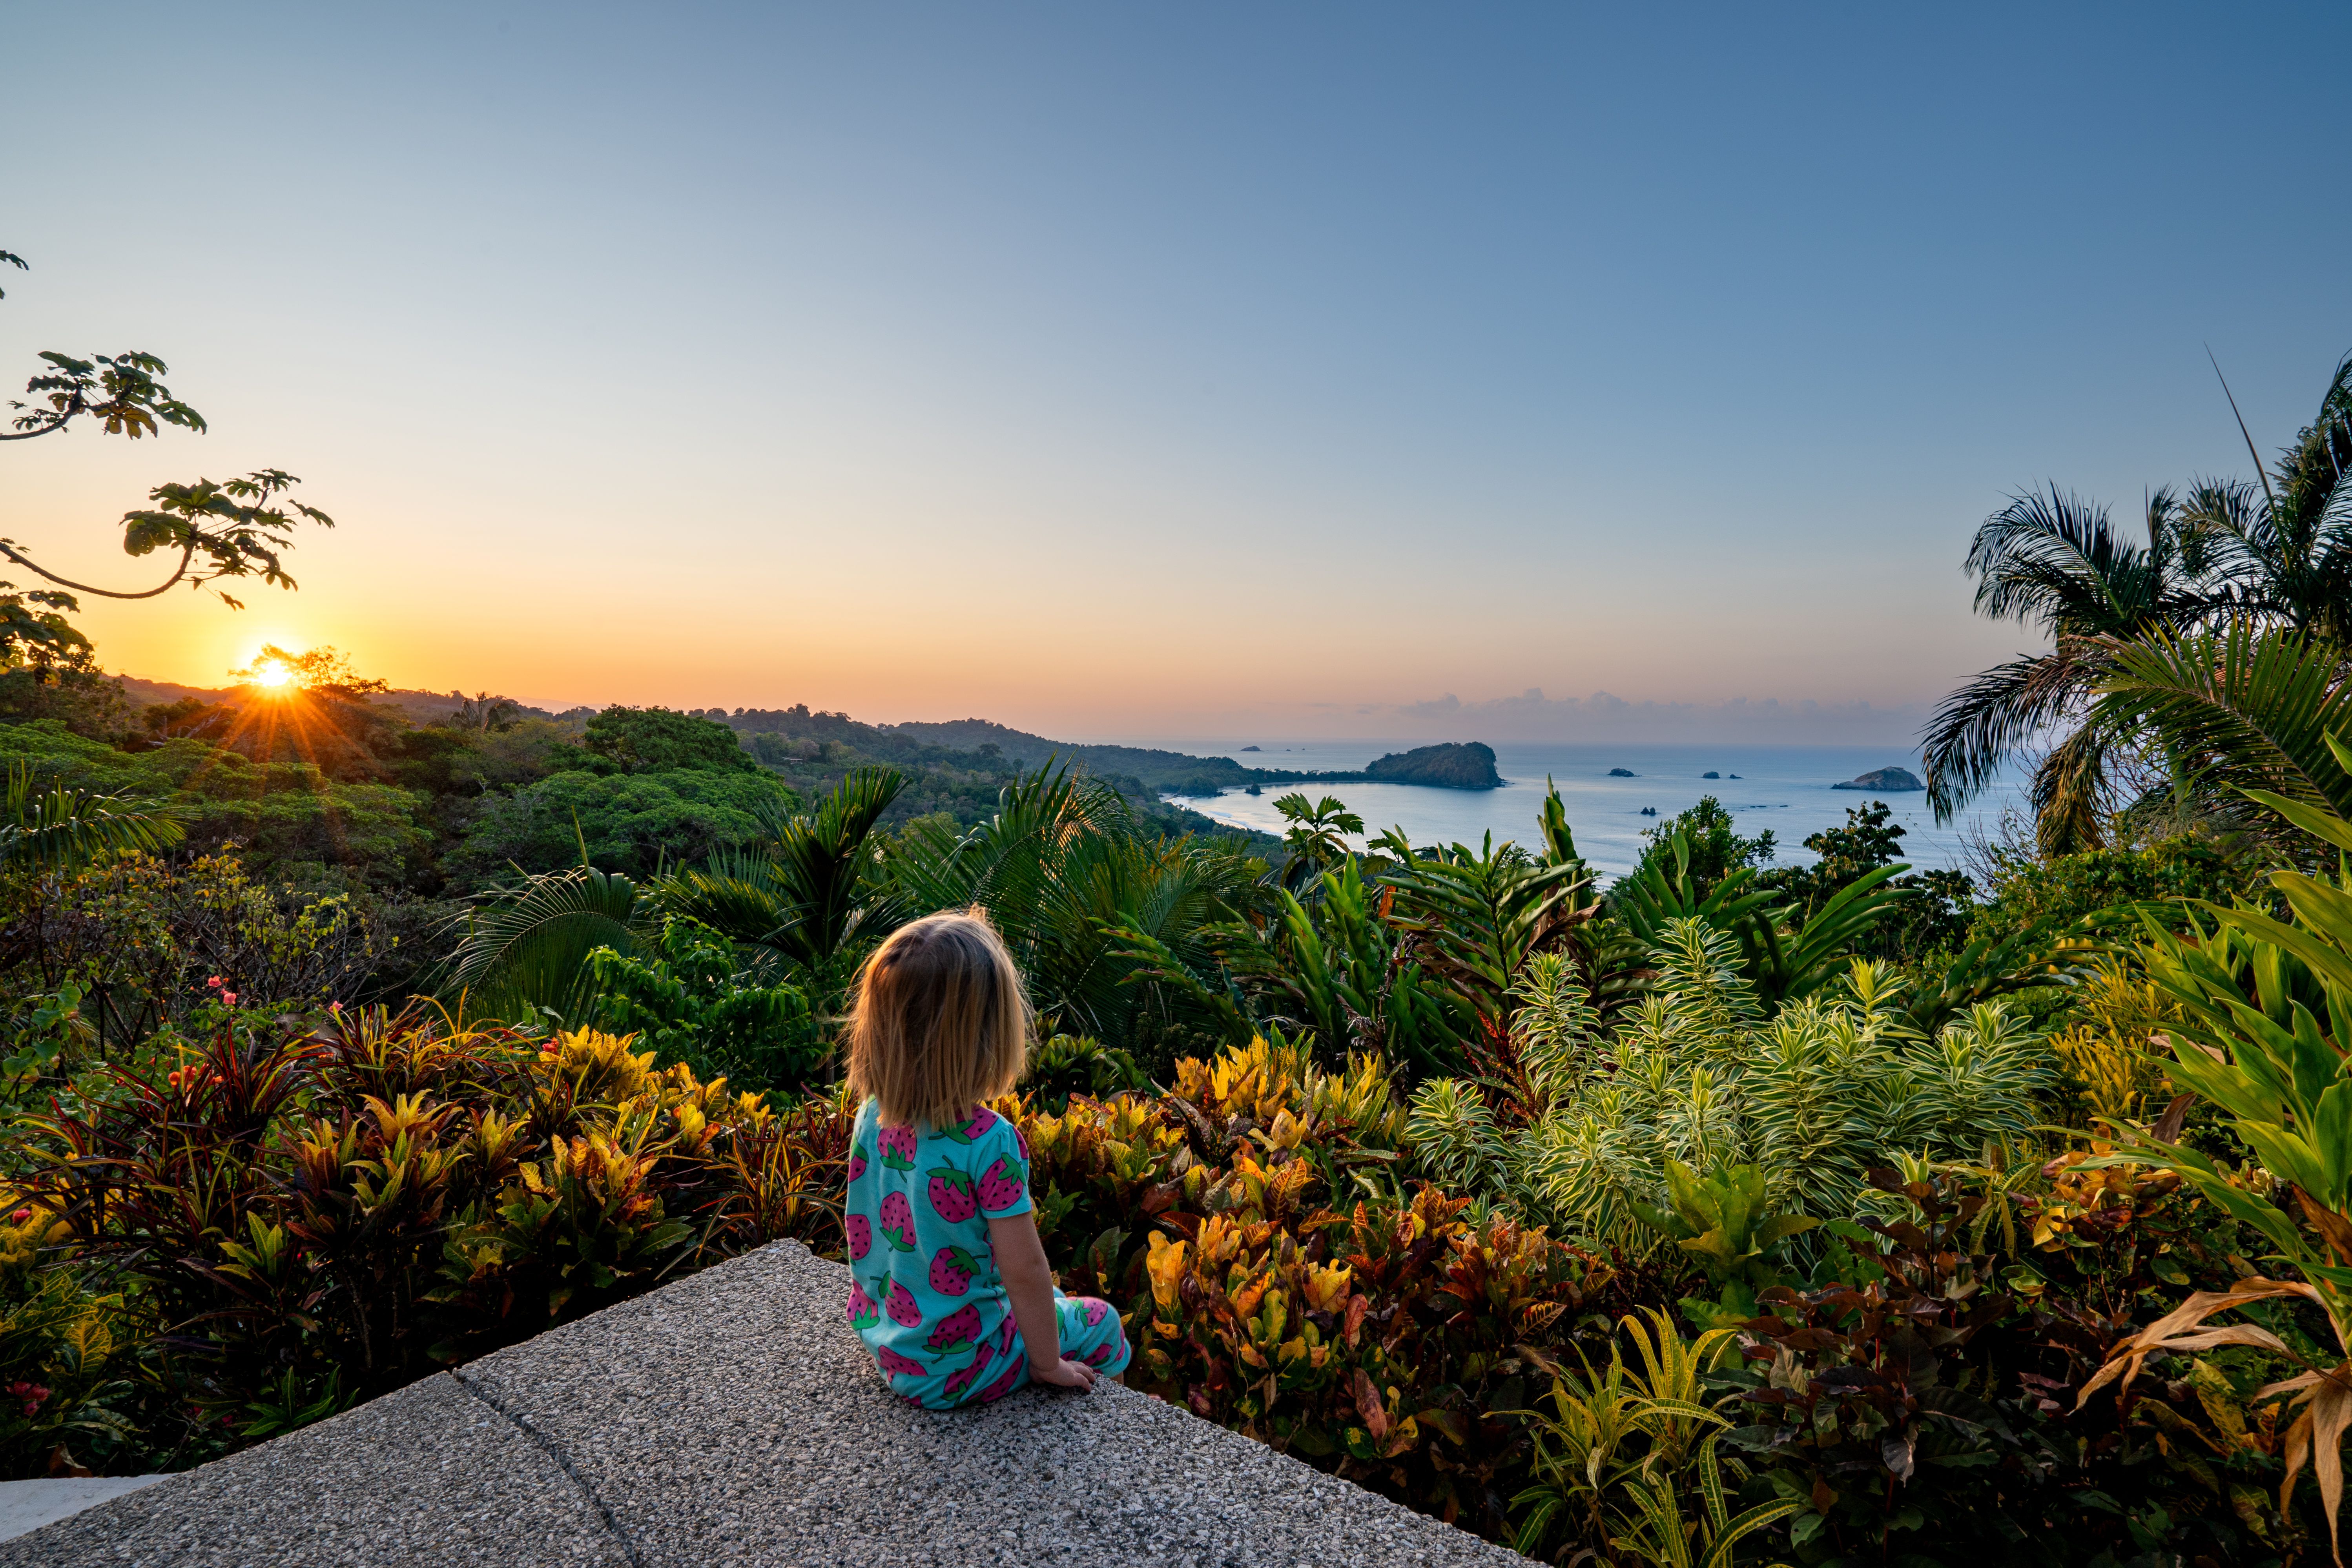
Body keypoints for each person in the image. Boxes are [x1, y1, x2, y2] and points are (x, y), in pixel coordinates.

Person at [840, 909, 1131, 1408]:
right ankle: (1111, 1439)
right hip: (961, 1364)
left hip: (892, 1342)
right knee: (1101, 1322)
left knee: (1057, 1303)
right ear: (988, 1038)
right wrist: (1047, 1364)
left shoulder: (872, 1115)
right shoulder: (988, 1141)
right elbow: (1024, 1271)